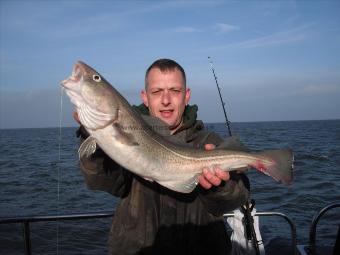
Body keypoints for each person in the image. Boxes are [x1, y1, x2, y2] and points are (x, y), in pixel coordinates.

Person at [75, 58, 249, 255]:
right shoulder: (127, 134)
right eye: (157, 92)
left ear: (186, 95)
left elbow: (239, 196)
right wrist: (94, 137)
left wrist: (221, 186)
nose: (166, 100)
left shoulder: (208, 141)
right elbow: (104, 181)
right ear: (145, 97)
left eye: (175, 91)